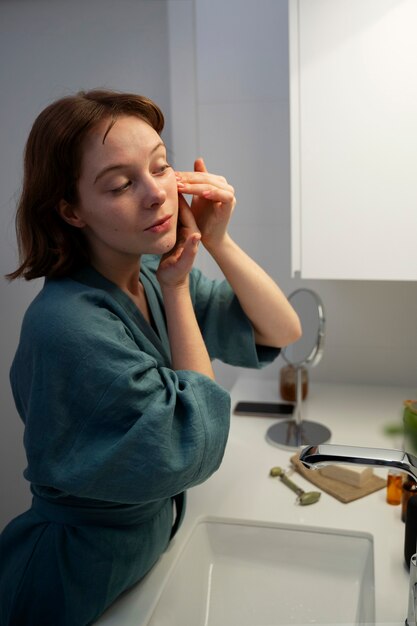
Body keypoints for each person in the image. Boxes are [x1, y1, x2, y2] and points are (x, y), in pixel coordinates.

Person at [0, 89, 301, 625]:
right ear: (71, 210)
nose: (156, 194)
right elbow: (195, 445)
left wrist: (218, 243)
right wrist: (180, 290)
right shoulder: (68, 324)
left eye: (161, 167)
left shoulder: (146, 276)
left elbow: (280, 328)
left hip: (138, 559)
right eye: (121, 183)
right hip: (64, 580)